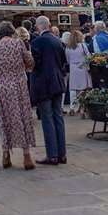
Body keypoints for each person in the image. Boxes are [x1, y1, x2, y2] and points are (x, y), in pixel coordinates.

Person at [0, 21, 36, 170]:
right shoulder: (18, 44)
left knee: (5, 119)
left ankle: (5, 154)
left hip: (2, 87)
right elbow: (30, 62)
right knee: (22, 118)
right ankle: (26, 155)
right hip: (19, 85)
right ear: (11, 31)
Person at [30, 15, 68, 165]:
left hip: (44, 84)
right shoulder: (58, 41)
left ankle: (52, 154)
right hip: (58, 82)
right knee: (58, 117)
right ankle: (62, 154)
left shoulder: (38, 42)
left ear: (39, 26)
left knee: (47, 118)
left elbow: (35, 63)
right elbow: (63, 62)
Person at [65, 30, 92, 115]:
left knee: (73, 89)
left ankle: (72, 107)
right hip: (83, 68)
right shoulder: (83, 46)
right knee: (83, 89)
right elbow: (88, 57)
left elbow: (67, 60)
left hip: (73, 69)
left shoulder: (68, 47)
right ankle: (82, 108)